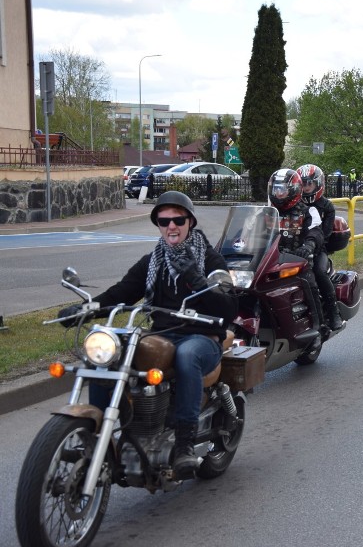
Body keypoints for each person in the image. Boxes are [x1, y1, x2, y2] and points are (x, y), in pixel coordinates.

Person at [57, 191, 238, 480]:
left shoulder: (210, 258)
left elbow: (229, 308)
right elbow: (122, 292)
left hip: (203, 338)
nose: (171, 226)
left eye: (177, 219)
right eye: (164, 221)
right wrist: (86, 309)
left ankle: (184, 444)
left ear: (190, 221)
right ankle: (100, 436)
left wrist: (196, 278)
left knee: (187, 355)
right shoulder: (154, 260)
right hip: (162, 334)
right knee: (109, 355)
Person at [268, 169, 327, 339]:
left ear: (293, 189)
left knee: (310, 283)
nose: (278, 193)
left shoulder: (308, 211)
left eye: (283, 189)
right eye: (276, 188)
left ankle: (319, 326)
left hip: (298, 259)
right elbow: (251, 229)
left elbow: (316, 231)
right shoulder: (268, 212)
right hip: (272, 259)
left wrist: (308, 245)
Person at [296, 164, 344, 331]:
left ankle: (333, 312)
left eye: (309, 184)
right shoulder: (295, 202)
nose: (306, 188)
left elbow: (325, 233)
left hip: (317, 249)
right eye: (303, 184)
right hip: (295, 249)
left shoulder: (326, 206)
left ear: (318, 184)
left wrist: (311, 246)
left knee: (319, 272)